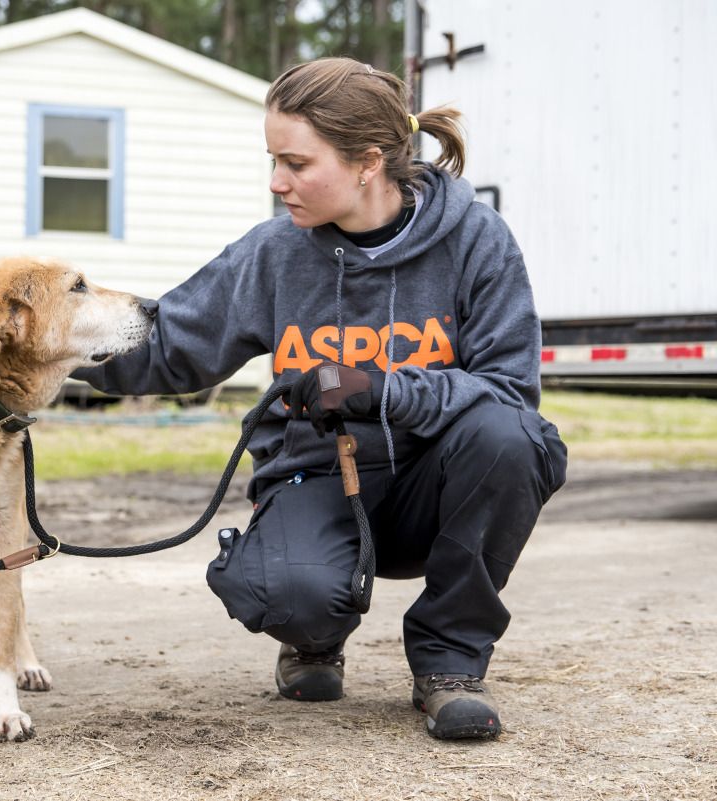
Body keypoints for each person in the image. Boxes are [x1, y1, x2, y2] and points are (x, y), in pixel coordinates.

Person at [73, 57, 568, 740]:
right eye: (273, 160)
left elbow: (509, 391)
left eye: (296, 163)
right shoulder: (275, 252)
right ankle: (312, 637)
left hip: (436, 488)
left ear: (367, 162)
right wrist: (47, 348)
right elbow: (172, 342)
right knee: (291, 593)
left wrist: (375, 389)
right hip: (317, 477)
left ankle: (450, 661)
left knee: (514, 439)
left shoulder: (477, 242)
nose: (278, 182)